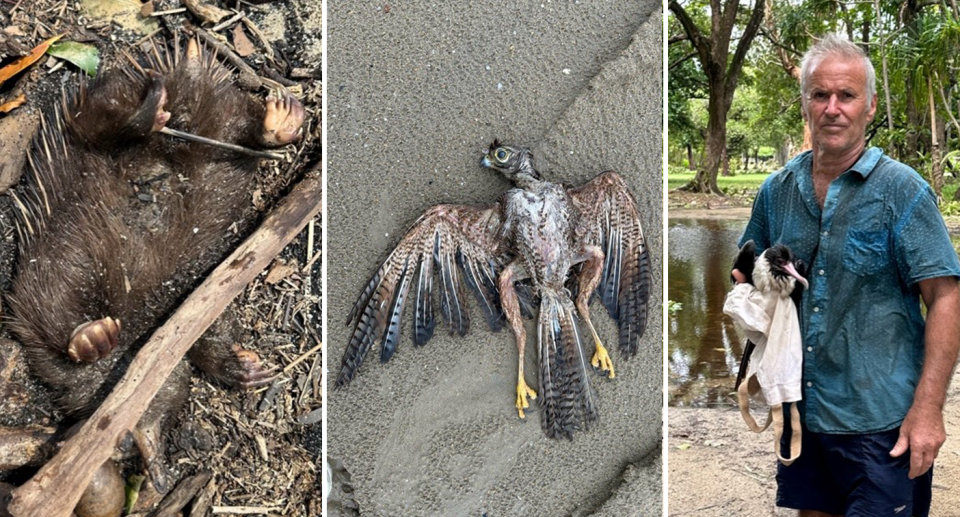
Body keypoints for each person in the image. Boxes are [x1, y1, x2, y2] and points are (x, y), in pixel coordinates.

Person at [736, 33, 960, 517]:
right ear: (805, 104)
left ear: (870, 106)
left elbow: (945, 296)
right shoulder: (777, 191)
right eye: (820, 95)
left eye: (847, 95)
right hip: (802, 410)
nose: (832, 108)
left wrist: (928, 411)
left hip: (880, 419)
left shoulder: (904, 192)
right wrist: (755, 286)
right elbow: (744, 275)